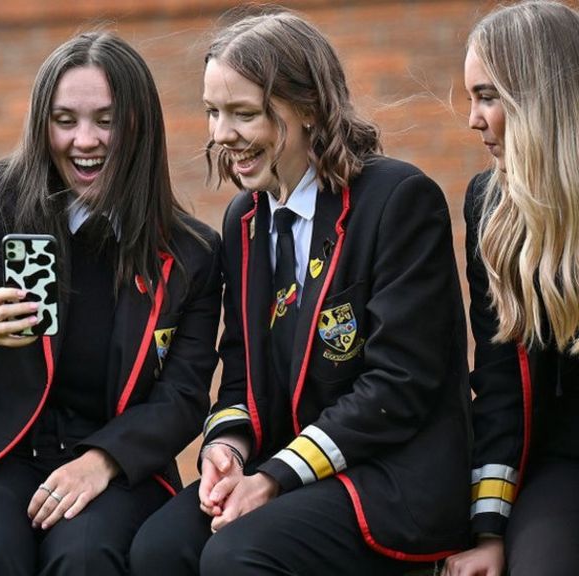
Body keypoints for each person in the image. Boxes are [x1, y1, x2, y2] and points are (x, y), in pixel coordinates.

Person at [130, 7, 471, 575]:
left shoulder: (399, 199)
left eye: (244, 113)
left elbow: (400, 385)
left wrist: (274, 476)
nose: (221, 135)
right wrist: (229, 450)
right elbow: (239, 373)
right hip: (288, 469)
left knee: (235, 556)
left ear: (308, 109)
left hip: (387, 479)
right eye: (213, 112)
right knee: (157, 550)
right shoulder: (243, 220)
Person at [0, 31, 221, 576]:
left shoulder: (191, 252)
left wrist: (102, 461)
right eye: (65, 120)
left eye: (106, 119)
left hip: (112, 466)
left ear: (139, 125)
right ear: (41, 124)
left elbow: (184, 397)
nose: (85, 139)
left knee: (85, 558)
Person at [442, 2, 579, 575]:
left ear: (538, 99)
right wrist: (488, 531)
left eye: (488, 96)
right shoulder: (490, 205)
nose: (473, 118)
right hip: (563, 462)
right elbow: (499, 383)